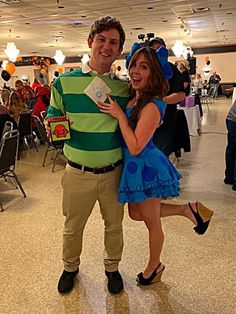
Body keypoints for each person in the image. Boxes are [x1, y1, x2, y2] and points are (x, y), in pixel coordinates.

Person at [97, 45, 214, 285]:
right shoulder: (136, 96)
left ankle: (154, 266)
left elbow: (136, 146)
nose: (136, 71)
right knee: (135, 213)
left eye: (144, 66)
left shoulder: (152, 105)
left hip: (145, 166)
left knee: (151, 222)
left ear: (154, 73)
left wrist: (120, 115)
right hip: (134, 167)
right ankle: (187, 209)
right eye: (134, 65)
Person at [45, 16, 129, 294]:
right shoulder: (63, 84)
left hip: (114, 172)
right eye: (102, 39)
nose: (107, 46)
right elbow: (55, 120)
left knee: (114, 226)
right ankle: (70, 267)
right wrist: (53, 127)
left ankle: (112, 267)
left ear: (119, 50)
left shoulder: (125, 89)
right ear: (90, 41)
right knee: (72, 227)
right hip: (77, 172)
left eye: (113, 42)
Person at [148, 37, 185, 157]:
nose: (156, 52)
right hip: (145, 123)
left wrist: (160, 101)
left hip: (165, 123)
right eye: (153, 49)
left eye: (159, 49)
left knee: (160, 158)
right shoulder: (145, 68)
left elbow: (181, 95)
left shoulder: (172, 70)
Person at [224, 98, 236, 191]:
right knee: (232, 149)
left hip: (231, 119)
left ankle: (230, 177)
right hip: (233, 120)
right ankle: (232, 179)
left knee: (231, 149)